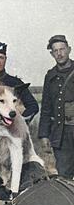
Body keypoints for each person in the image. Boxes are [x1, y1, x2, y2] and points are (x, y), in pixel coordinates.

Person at [38, 35, 74, 179]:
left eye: (62, 49)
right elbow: (46, 107)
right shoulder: (50, 76)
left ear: (69, 50)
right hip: (61, 133)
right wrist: (44, 134)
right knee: (64, 176)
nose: (59, 53)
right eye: (55, 51)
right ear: (52, 54)